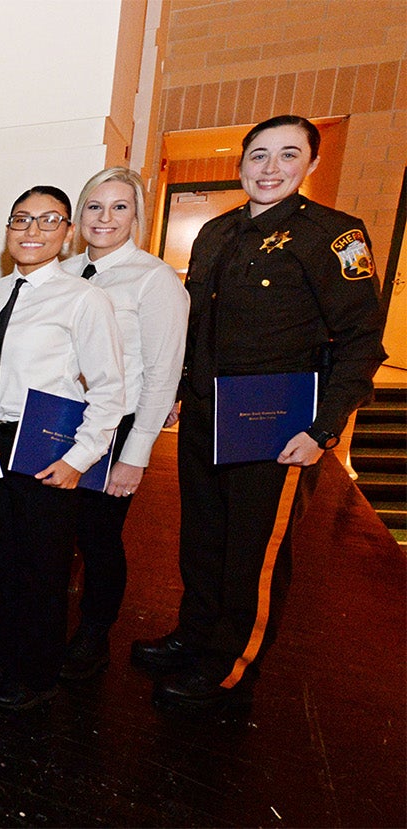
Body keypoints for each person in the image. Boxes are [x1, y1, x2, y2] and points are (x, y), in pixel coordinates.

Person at [134, 115, 387, 712]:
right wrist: (177, 389)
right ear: (241, 162)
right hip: (205, 413)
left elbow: (360, 341)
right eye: (259, 155)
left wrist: (323, 429)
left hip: (277, 425)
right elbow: (195, 323)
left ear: (311, 165)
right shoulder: (216, 233)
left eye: (288, 155)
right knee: (202, 540)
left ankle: (230, 663)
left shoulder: (333, 236)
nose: (271, 168)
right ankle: (194, 635)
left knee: (253, 550)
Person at [0, 185, 123, 710]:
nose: (31, 231)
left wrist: (78, 459)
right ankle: (7, 657)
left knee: (44, 566)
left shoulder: (84, 298)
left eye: (47, 220)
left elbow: (109, 389)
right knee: (4, 560)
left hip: (44, 445)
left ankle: (37, 674)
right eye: (20, 219)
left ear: (68, 233)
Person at [59, 168, 188, 681]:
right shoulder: (63, 272)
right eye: (94, 206)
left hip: (118, 426)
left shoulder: (154, 280)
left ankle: (94, 635)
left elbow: (162, 373)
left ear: (138, 215)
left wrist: (137, 454)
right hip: (62, 421)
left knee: (98, 538)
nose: (105, 218)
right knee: (56, 533)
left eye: (119, 207)